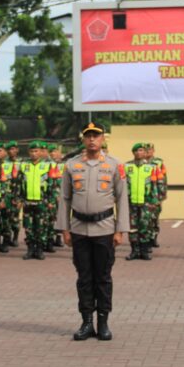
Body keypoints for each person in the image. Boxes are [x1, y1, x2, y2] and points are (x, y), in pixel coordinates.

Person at [56, 122, 130, 341]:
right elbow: (65, 198)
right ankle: (87, 321)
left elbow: (122, 198)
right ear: (83, 139)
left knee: (103, 277)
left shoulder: (115, 165)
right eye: (88, 136)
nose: (92, 140)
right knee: (84, 277)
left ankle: (103, 322)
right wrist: (64, 229)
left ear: (103, 139)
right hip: (79, 229)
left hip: (105, 229)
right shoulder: (71, 165)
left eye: (96, 136)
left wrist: (121, 230)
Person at [18, 141, 54, 260]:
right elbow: (18, 184)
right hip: (27, 202)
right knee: (28, 227)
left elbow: (53, 185)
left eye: (36, 151)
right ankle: (30, 249)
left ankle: (39, 250)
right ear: (29, 152)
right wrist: (19, 199)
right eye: (32, 151)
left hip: (42, 202)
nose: (34, 154)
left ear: (40, 152)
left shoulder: (48, 166)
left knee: (40, 227)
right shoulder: (23, 165)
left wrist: (51, 201)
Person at [125, 143, 159, 261]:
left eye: (141, 150)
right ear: (133, 153)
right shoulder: (126, 166)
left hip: (146, 202)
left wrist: (155, 201)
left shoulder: (151, 167)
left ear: (144, 153)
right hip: (131, 202)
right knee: (132, 227)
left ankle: (144, 251)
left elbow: (155, 185)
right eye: (136, 151)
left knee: (145, 226)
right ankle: (134, 251)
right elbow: (122, 185)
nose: (138, 153)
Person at [145, 143, 167, 247]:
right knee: (145, 218)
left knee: (154, 218)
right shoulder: (141, 163)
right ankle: (146, 239)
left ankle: (154, 238)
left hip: (156, 195)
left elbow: (163, 179)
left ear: (153, 150)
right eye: (146, 149)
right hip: (144, 196)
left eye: (150, 149)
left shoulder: (159, 162)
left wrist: (161, 196)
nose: (148, 151)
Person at [6, 140, 23, 247]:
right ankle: (7, 238)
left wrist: (21, 198)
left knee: (15, 218)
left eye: (13, 149)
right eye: (10, 149)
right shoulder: (4, 163)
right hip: (7, 194)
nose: (12, 151)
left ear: (17, 150)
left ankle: (15, 237)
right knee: (6, 218)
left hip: (17, 194)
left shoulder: (22, 163)